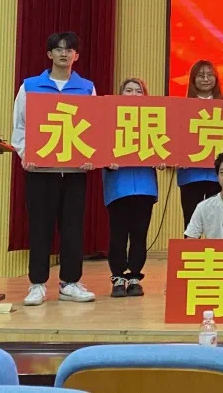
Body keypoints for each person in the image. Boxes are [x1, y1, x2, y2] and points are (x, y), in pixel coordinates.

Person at [13, 31, 97, 306]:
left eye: (69, 49)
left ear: (76, 55)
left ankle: (70, 283)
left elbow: (95, 127)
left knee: (73, 228)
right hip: (40, 171)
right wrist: (26, 154)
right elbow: (20, 126)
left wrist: (91, 156)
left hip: (74, 171)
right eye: (58, 49)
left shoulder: (86, 88)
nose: (64, 53)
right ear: (49, 54)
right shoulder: (30, 86)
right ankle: (37, 284)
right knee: (40, 227)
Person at [103, 78, 160, 298]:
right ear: (120, 94)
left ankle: (135, 277)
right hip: (118, 185)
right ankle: (117, 277)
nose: (133, 94)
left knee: (139, 234)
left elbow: (164, 145)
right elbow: (98, 146)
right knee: (118, 234)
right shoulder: (109, 119)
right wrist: (107, 161)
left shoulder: (155, 120)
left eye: (138, 91)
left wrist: (163, 158)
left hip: (145, 186)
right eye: (128, 90)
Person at [177, 60, 223, 227]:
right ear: (193, 79)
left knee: (216, 225)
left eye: (210, 75)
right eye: (200, 75)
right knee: (191, 224)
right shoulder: (180, 107)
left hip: (218, 174)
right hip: (190, 174)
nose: (205, 79)